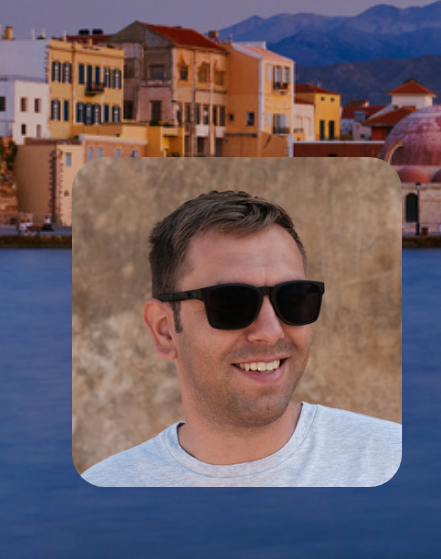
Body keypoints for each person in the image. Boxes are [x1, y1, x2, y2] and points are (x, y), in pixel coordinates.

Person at [81, 190, 400, 487]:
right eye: (230, 303)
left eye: (293, 298)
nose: (270, 332)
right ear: (164, 330)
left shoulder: (390, 459)